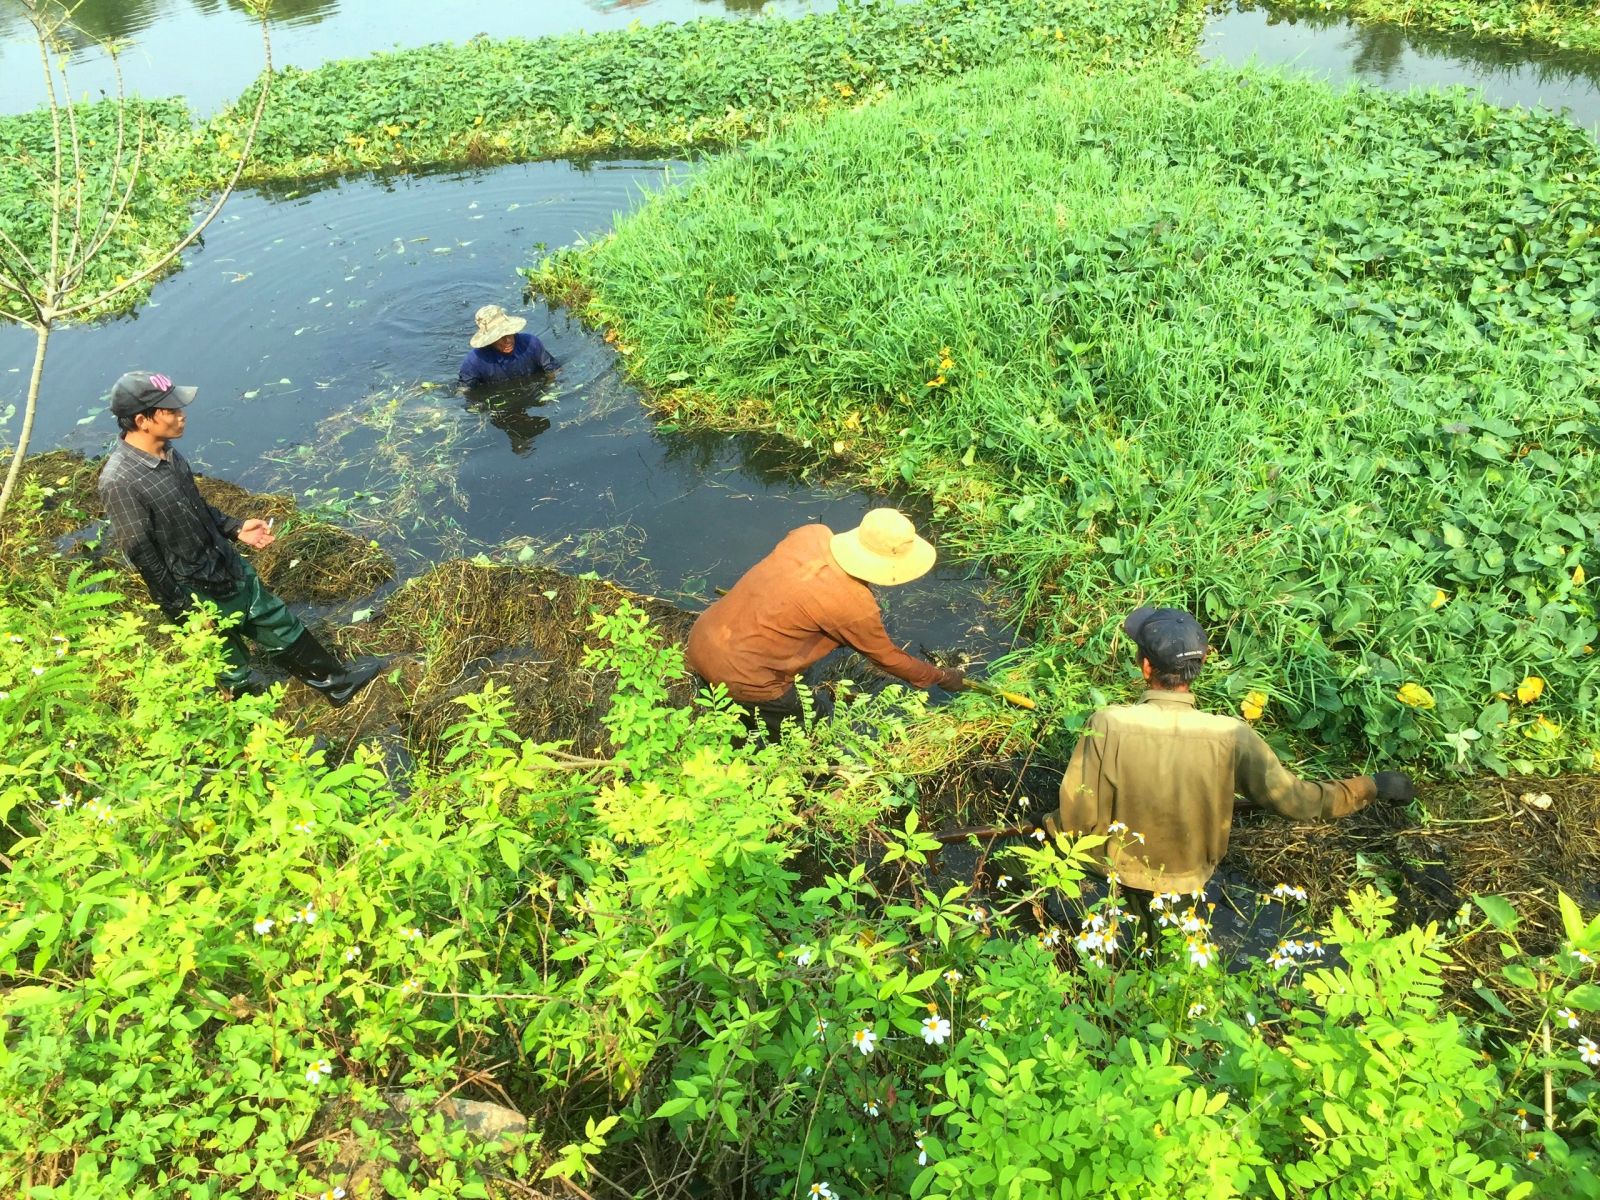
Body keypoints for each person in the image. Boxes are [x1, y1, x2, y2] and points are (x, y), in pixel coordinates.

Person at [1040, 605, 1415, 900]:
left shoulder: (1108, 723)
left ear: (1146, 667)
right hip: (1193, 878)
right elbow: (1296, 800)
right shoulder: (1232, 734)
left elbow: (1078, 812)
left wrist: (1050, 828)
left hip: (1116, 873)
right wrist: (1369, 786)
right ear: (1200, 664)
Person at [96, 370, 384, 707]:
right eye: (170, 410)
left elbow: (194, 506)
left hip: (224, 565)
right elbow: (143, 555)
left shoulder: (168, 453)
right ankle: (246, 713)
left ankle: (336, 684)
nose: (181, 415)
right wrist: (186, 612)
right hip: (194, 588)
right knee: (228, 659)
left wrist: (234, 528)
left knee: (277, 619)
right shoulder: (120, 481)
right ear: (142, 420)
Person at [685, 508, 969, 740]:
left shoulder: (810, 534)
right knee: (816, 718)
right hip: (742, 678)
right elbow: (889, 659)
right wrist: (941, 677)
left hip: (702, 637)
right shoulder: (854, 605)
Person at [457, 304, 559, 388]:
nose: (508, 340)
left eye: (509, 334)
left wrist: (550, 388)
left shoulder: (531, 343)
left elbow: (555, 369)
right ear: (490, 340)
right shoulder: (474, 361)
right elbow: (463, 391)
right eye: (500, 337)